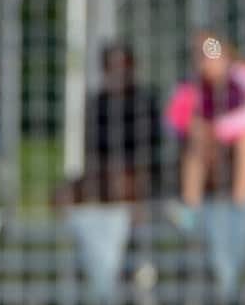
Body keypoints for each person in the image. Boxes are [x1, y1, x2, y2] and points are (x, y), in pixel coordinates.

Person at [56, 42, 166, 205]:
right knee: (63, 195)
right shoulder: (96, 105)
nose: (119, 72)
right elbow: (92, 152)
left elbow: (150, 150)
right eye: (112, 67)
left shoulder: (146, 102)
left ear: (132, 67)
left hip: (137, 175)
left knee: (121, 184)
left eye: (123, 66)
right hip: (102, 175)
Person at [169, 31, 245, 216]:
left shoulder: (242, 76)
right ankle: (190, 209)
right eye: (198, 56)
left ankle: (241, 206)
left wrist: (217, 128)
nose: (203, 62)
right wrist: (195, 127)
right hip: (210, 152)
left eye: (208, 55)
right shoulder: (191, 85)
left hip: (237, 151)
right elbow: (173, 121)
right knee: (196, 144)